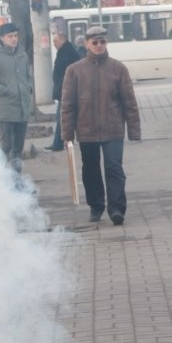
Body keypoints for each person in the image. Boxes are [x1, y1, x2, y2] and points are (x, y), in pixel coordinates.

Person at [60, 26, 141, 225]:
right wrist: (67, 134)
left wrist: (134, 130)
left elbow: (129, 101)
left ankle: (117, 209)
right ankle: (96, 206)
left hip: (113, 129)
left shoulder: (118, 68)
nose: (99, 45)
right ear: (86, 44)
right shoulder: (74, 71)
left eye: (102, 42)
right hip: (86, 129)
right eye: (94, 42)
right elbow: (68, 105)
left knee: (114, 168)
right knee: (91, 170)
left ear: (107, 43)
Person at [0, 22, 33, 172]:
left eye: (16, 36)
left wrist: (28, 88)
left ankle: (16, 178)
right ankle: (1, 176)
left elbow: (27, 77)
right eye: (10, 36)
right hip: (6, 110)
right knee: (6, 146)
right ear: (2, 38)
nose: (14, 39)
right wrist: (4, 90)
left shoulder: (22, 55)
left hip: (22, 109)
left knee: (18, 148)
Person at [46, 31, 82, 151]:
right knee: (63, 117)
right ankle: (60, 142)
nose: (54, 44)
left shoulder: (68, 52)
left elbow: (70, 73)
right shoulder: (65, 51)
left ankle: (59, 143)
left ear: (63, 39)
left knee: (62, 117)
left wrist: (63, 85)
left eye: (55, 41)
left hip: (66, 90)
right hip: (64, 89)